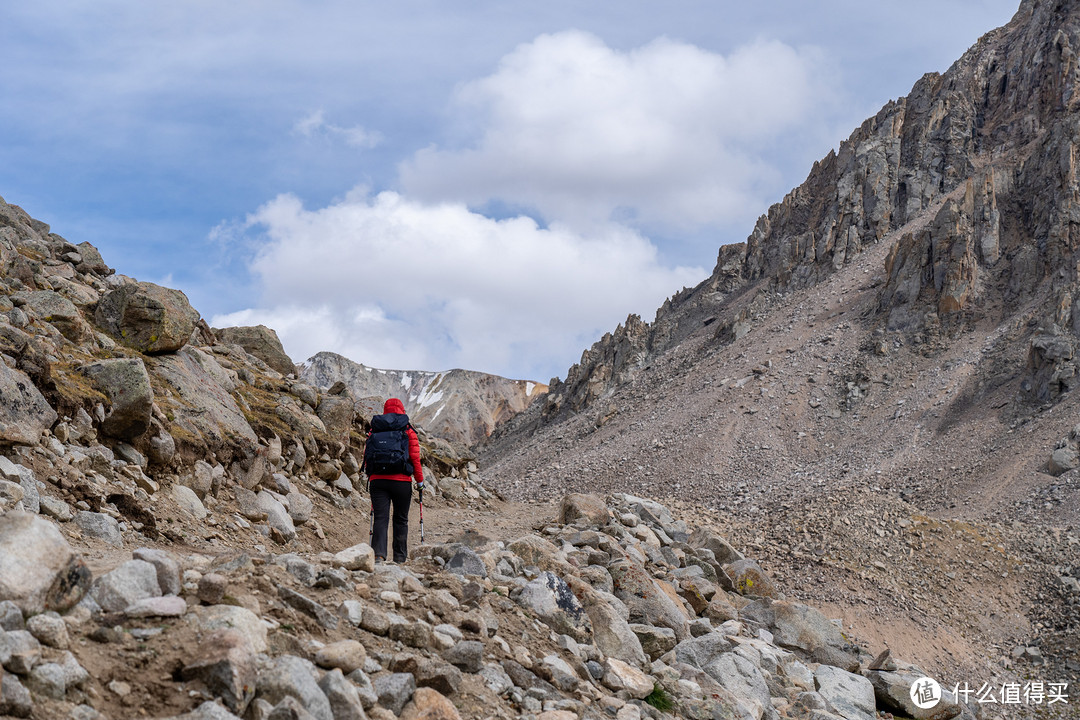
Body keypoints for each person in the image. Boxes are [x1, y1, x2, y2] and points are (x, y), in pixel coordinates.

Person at [363, 398, 423, 563]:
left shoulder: (374, 429)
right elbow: (415, 459)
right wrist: (419, 482)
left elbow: (366, 455)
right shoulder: (408, 430)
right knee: (401, 519)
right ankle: (399, 557)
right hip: (402, 481)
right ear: (402, 410)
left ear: (385, 410)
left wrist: (371, 475)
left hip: (378, 481)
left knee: (381, 518)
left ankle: (379, 555)